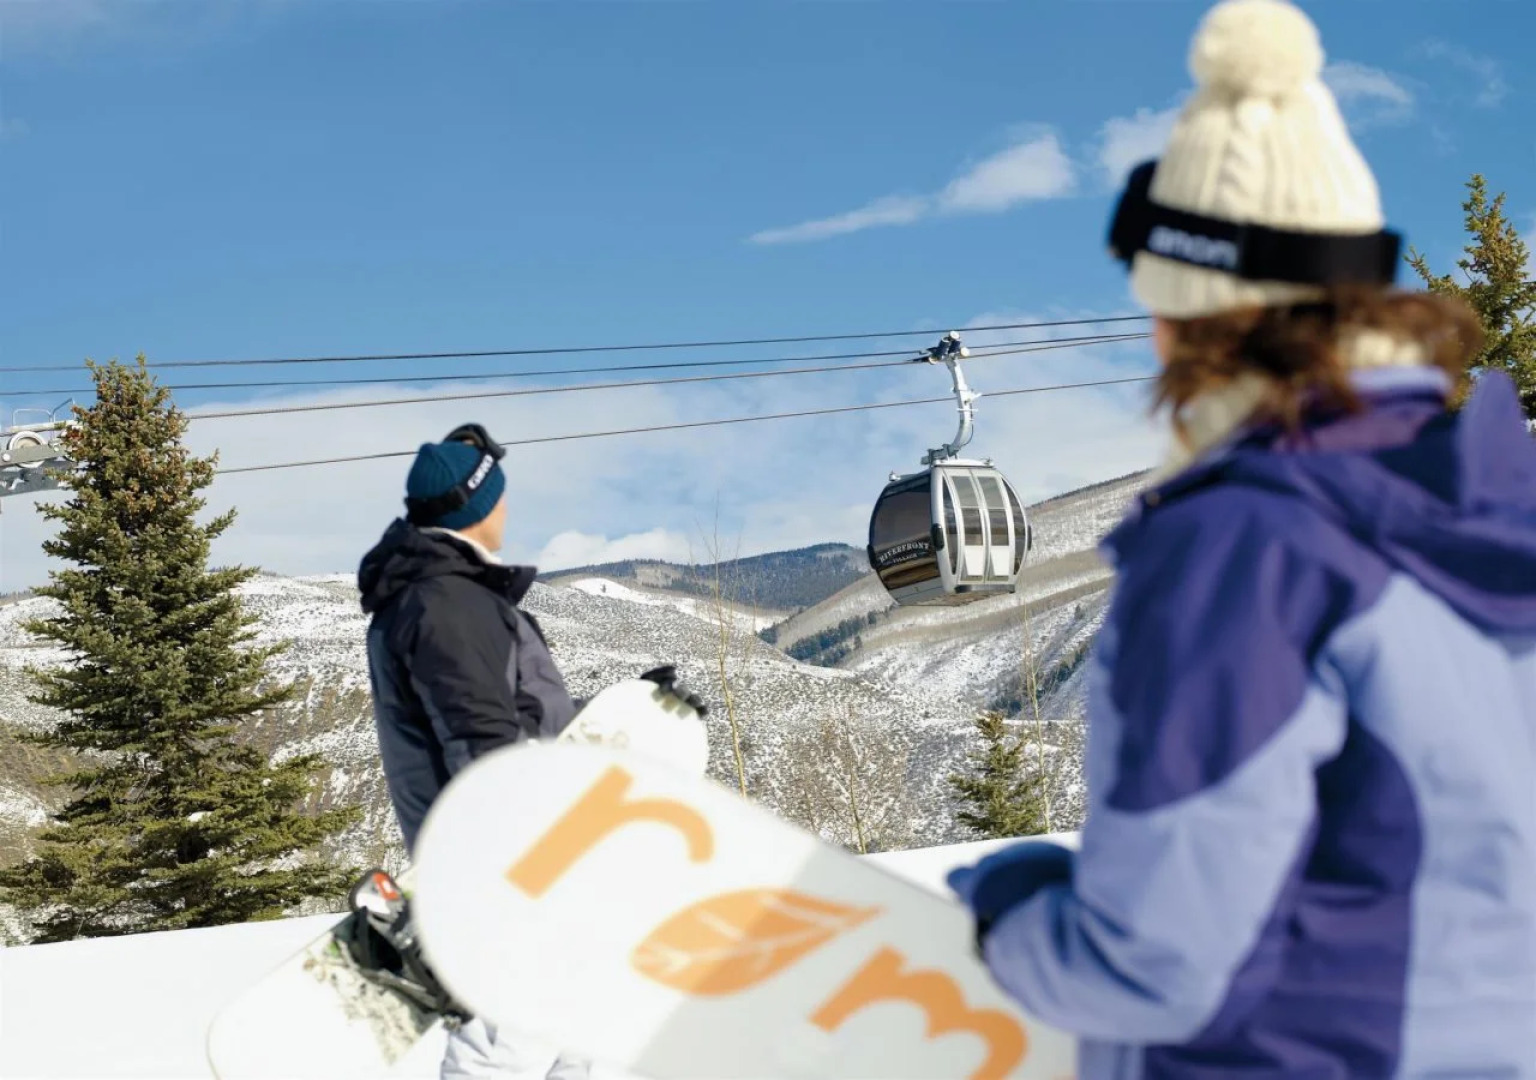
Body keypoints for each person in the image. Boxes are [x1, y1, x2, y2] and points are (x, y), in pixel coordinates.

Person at [947, 0, 1536, 1076]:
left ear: (1180, 305)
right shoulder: (1494, 505)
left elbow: (1160, 965)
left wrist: (1009, 905)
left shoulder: (1246, 545)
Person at [358, 422, 589, 1080]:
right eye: (501, 497)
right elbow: (479, 738)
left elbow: (500, 714)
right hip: (502, 852)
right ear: (477, 505)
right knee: (506, 1038)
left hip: (509, 839)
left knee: (583, 1018)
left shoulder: (436, 596)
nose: (508, 511)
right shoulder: (446, 605)